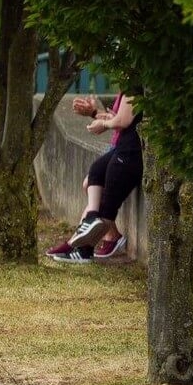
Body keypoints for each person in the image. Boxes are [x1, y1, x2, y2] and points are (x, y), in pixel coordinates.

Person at [46, 93, 143, 264]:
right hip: (121, 148)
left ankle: (81, 248)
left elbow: (123, 121)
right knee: (95, 174)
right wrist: (95, 114)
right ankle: (87, 229)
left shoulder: (134, 85)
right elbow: (120, 118)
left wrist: (104, 122)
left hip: (130, 153)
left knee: (105, 207)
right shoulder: (129, 85)